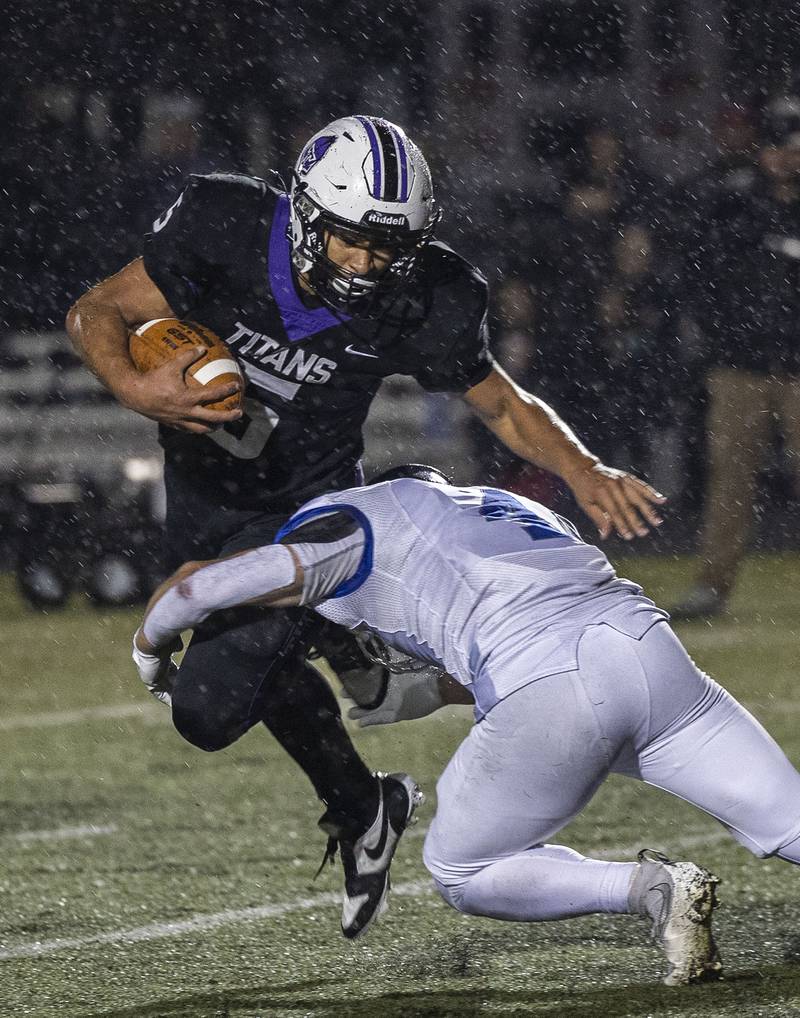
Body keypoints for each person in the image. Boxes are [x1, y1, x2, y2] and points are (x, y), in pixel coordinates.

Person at [67, 115, 665, 938]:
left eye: (387, 248)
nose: (364, 265)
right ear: (306, 214)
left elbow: (500, 403)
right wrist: (137, 388)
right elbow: (97, 308)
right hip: (206, 489)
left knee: (205, 712)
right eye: (350, 239)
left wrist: (584, 470)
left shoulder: (423, 297)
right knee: (255, 672)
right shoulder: (224, 225)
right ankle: (362, 788)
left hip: (312, 510)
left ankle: (366, 581)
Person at [133, 464, 800, 985]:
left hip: (553, 681)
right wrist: (430, 691)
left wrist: (150, 652)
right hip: (649, 651)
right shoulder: (502, 507)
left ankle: (652, 889)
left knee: (462, 870)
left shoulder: (348, 525)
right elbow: (510, 618)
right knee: (790, 822)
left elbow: (197, 590)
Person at [672, 95, 800, 619]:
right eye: (779, 147)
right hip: (740, 364)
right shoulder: (730, 200)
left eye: (794, 148)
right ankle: (712, 585)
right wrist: (722, 335)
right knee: (730, 479)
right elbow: (699, 275)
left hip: (795, 361)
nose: (786, 158)